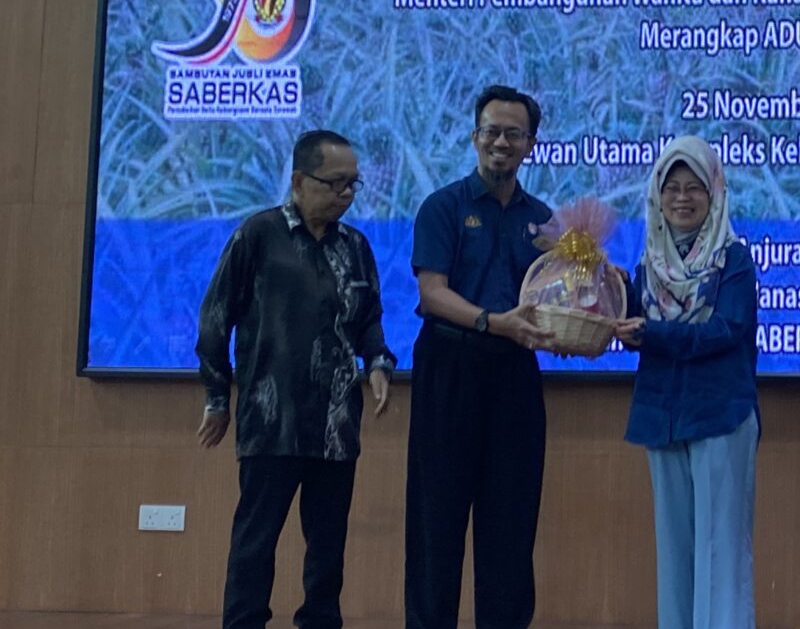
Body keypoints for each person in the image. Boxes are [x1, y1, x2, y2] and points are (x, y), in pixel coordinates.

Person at [196, 129, 394, 629]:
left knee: (327, 546)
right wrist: (217, 397)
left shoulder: (356, 246)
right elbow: (215, 319)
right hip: (272, 420)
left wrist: (377, 364)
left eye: (353, 184)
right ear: (300, 181)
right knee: (256, 539)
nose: (346, 194)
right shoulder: (258, 235)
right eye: (335, 183)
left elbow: (369, 321)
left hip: (335, 424)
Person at [404, 84, 557, 629]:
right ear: (475, 137)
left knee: (511, 527)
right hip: (449, 369)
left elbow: (560, 297)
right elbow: (432, 293)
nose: (501, 142)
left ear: (530, 144)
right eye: (492, 131)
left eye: (514, 134)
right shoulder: (442, 206)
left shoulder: (544, 221)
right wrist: (494, 321)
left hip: (514, 377)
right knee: (435, 523)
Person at [614, 135, 759, 629]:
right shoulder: (648, 265)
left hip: (720, 415)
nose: (681, 198)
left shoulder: (733, 259)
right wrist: (605, 295)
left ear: (714, 192)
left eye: (694, 187)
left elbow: (726, 330)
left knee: (720, 553)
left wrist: (652, 333)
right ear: (657, 194)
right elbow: (632, 333)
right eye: (671, 187)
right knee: (674, 554)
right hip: (662, 417)